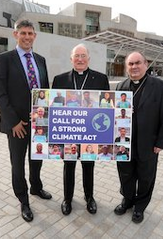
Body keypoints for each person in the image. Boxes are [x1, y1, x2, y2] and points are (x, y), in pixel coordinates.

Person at [0, 19, 52, 223]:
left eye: (30, 33)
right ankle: (23, 199)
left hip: (39, 122)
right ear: (15, 35)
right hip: (17, 124)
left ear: (35, 36)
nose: (27, 37)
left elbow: (45, 91)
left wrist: (46, 117)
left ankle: (36, 187)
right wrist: (13, 122)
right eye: (23, 33)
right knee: (17, 163)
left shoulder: (41, 60)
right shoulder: (5, 59)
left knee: (37, 158)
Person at [114, 51, 163, 224]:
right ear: (127, 67)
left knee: (146, 177)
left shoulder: (160, 86)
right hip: (124, 141)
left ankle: (140, 207)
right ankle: (127, 200)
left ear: (146, 64)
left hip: (148, 143)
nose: (134, 67)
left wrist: (161, 142)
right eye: (130, 64)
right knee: (125, 174)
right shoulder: (120, 87)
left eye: (137, 63)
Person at [52, 43, 110, 215]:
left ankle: (89, 197)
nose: (80, 59)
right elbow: (54, 109)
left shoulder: (101, 79)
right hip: (69, 133)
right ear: (71, 59)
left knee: (88, 165)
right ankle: (67, 199)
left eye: (83, 56)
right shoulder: (59, 80)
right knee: (68, 166)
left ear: (88, 59)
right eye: (76, 56)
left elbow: (107, 108)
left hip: (90, 134)